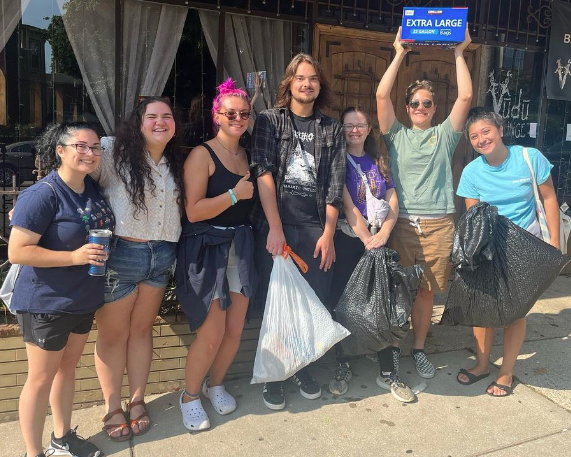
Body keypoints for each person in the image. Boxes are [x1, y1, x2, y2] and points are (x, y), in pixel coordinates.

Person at [9, 122, 114, 457]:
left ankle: (62, 438)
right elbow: (17, 251)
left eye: (96, 147)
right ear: (60, 150)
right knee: (40, 379)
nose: (89, 153)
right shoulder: (43, 194)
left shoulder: (91, 189)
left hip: (82, 298)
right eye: (81, 146)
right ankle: (33, 452)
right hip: (46, 302)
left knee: (66, 370)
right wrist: (74, 256)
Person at [250, 53, 346, 410]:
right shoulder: (269, 121)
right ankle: (276, 374)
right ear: (289, 82)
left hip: (314, 229)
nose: (307, 84)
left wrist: (329, 233)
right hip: (276, 227)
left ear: (320, 86)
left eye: (314, 79)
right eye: (301, 78)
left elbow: (335, 184)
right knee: (277, 303)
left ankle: (303, 368)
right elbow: (262, 172)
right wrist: (275, 228)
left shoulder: (331, 129)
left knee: (311, 305)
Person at [376, 27, 473, 379]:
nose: (420, 108)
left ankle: (417, 349)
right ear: (407, 108)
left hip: (438, 225)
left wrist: (460, 52)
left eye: (426, 103)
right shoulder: (397, 134)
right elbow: (380, 96)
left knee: (426, 294)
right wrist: (399, 52)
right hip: (401, 224)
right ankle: (391, 350)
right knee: (397, 289)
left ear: (434, 109)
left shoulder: (445, 135)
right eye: (414, 103)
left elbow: (465, 98)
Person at [92, 97, 184, 440]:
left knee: (142, 331)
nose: (161, 122)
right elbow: (76, 172)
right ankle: (113, 406)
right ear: (139, 122)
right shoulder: (113, 151)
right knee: (114, 335)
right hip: (121, 255)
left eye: (168, 117)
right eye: (153, 117)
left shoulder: (175, 161)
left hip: (162, 257)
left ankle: (136, 400)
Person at [456, 107, 560, 396]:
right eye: (474, 136)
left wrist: (554, 242)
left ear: (500, 130)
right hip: (489, 247)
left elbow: (550, 198)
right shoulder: (471, 172)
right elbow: (473, 216)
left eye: (486, 131)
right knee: (483, 308)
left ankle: (507, 372)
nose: (481, 139)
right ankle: (481, 364)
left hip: (525, 246)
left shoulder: (529, 158)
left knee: (515, 312)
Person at [176, 79, 256, 431]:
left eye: (243, 113)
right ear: (217, 116)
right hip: (207, 250)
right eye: (230, 113)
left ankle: (215, 384)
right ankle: (190, 396)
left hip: (241, 247)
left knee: (235, 330)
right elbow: (192, 211)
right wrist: (235, 195)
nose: (237, 118)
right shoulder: (201, 155)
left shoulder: (246, 154)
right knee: (211, 333)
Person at [326, 106, 414, 403]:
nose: (354, 130)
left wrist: (384, 235)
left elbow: (392, 199)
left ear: (368, 128)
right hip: (350, 241)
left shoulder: (379, 160)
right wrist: (366, 239)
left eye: (360, 125)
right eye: (349, 125)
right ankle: (343, 364)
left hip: (380, 239)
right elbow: (347, 205)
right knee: (344, 303)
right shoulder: (338, 160)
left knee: (385, 302)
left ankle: (389, 370)